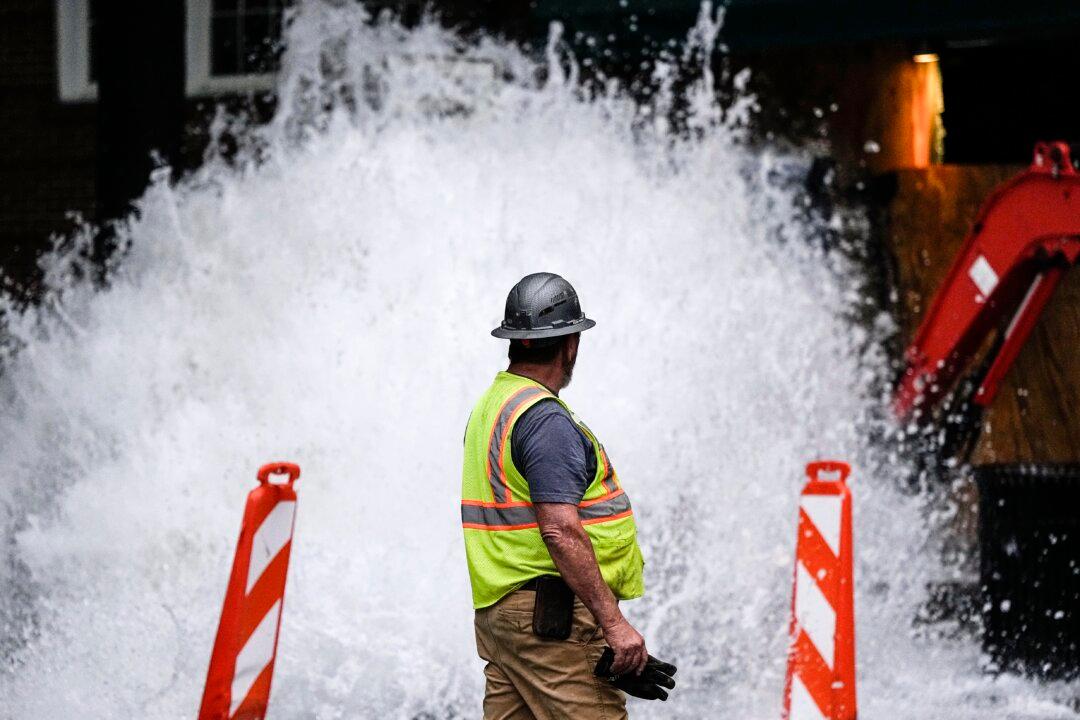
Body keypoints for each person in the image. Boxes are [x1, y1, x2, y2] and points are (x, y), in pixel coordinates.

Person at [461, 272, 655, 719]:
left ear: (514, 341)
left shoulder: (493, 406)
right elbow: (560, 530)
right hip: (550, 622)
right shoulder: (544, 420)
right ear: (570, 345)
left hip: (503, 618)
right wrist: (614, 625)